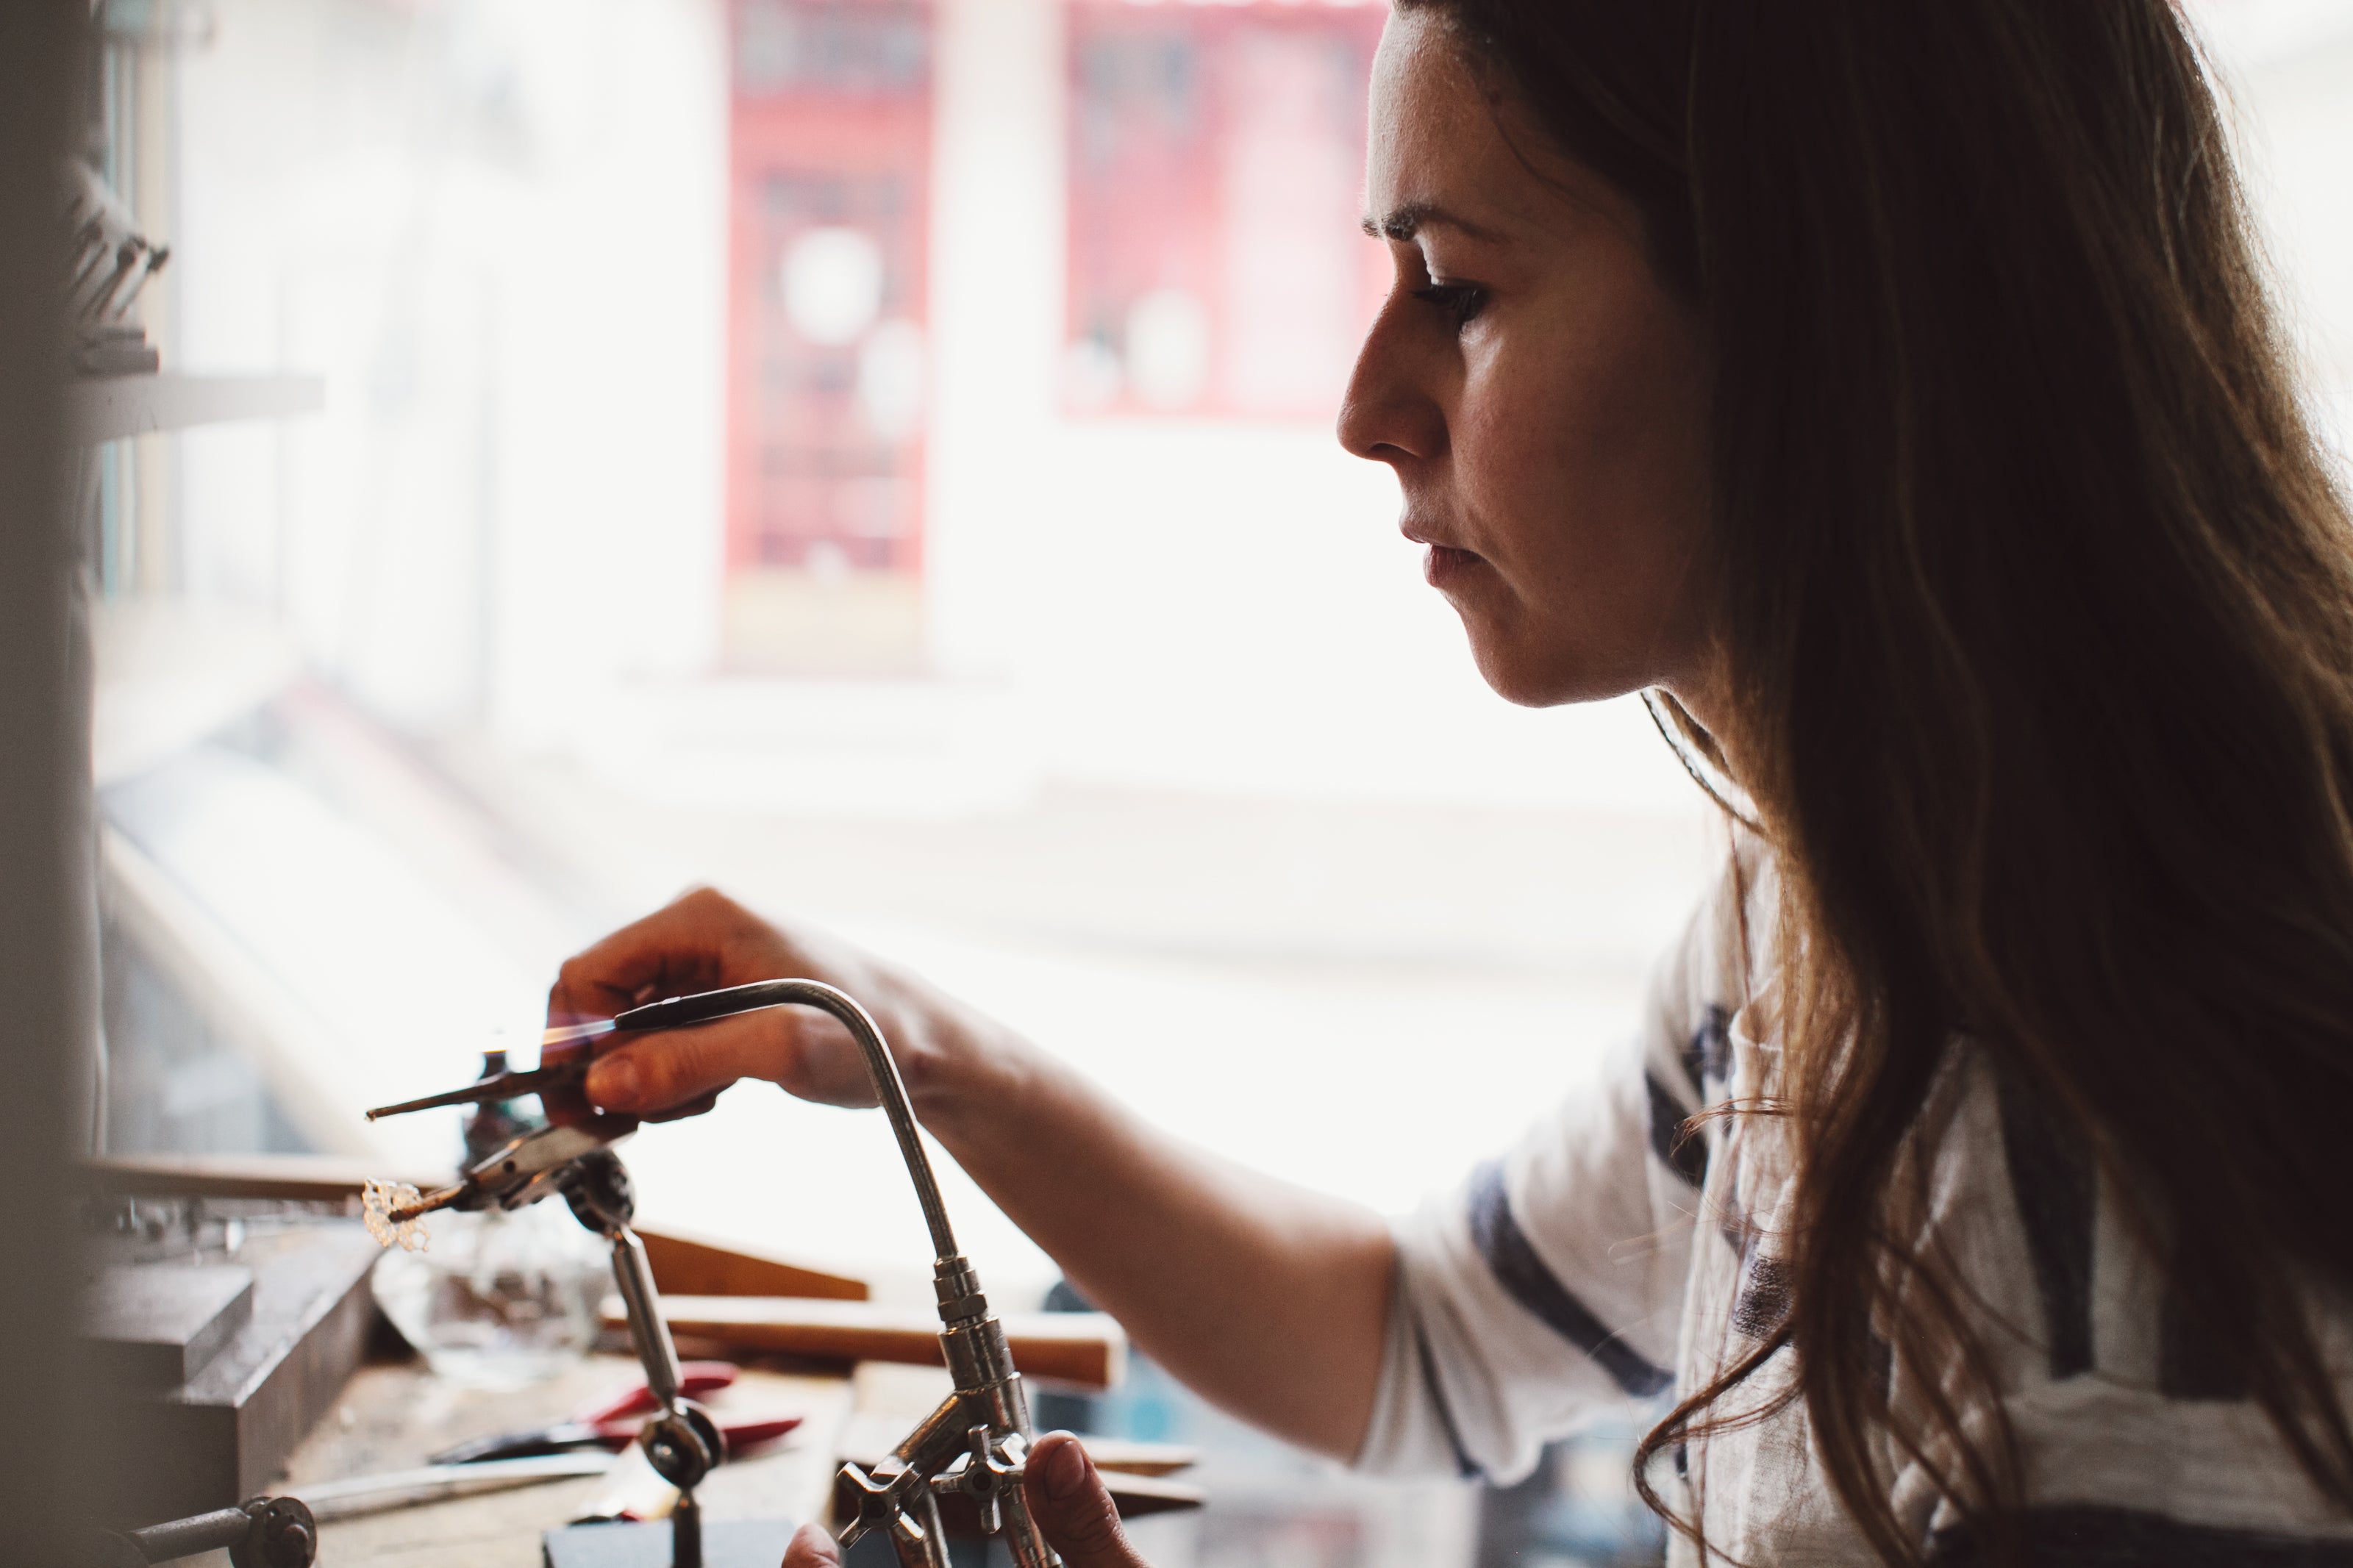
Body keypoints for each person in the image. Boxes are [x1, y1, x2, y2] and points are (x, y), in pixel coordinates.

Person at [548, 1, 2353, 1563]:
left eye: (1456, 285)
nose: (1363, 399)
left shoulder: (2109, 1240)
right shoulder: (1824, 899)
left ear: (1831, 307)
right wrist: (897, 1037)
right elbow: (1416, 1340)